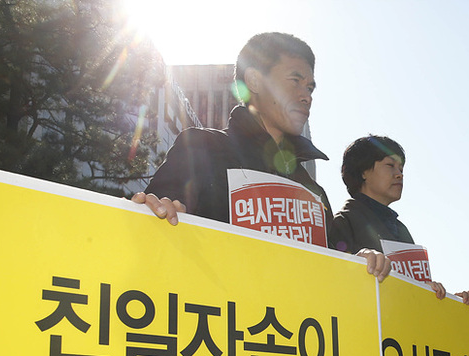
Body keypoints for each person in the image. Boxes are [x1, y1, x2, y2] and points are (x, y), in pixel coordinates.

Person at [131, 32, 389, 281]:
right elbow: (156, 221)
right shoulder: (201, 148)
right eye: (295, 81)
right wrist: (154, 210)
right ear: (254, 81)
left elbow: (330, 272)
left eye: (310, 87)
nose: (306, 96)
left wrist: (360, 263)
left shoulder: (314, 191)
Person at [328, 135, 469, 303]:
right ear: (364, 172)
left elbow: (412, 296)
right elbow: (334, 287)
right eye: (390, 166)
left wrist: (441, 298)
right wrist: (358, 262)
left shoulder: (400, 229)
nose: (399, 175)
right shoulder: (343, 222)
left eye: (401, 169)